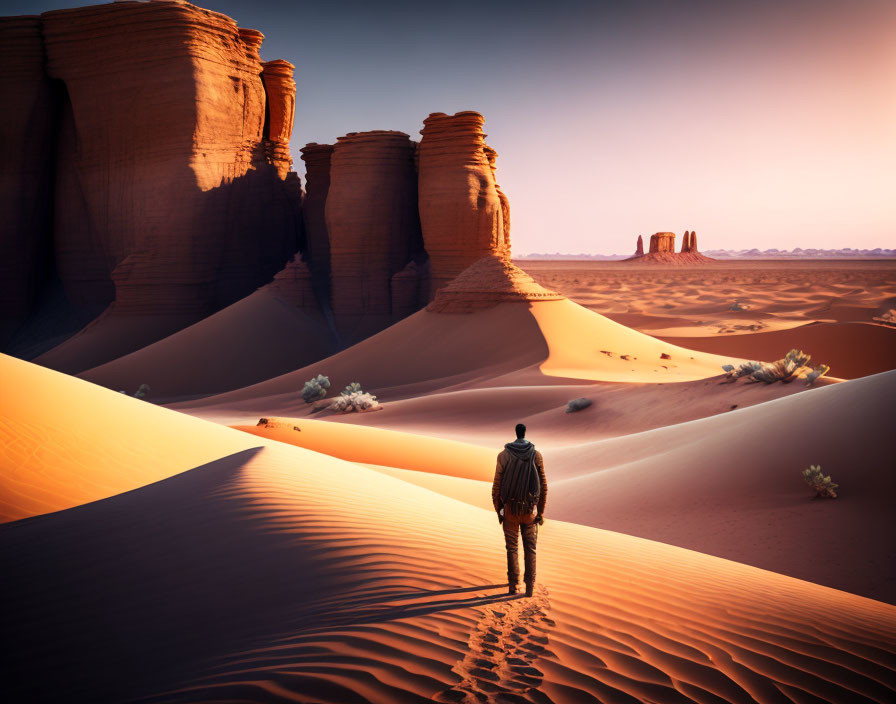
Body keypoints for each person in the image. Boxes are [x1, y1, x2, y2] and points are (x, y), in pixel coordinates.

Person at [492, 423, 547, 597]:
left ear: (516, 434)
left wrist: (499, 510)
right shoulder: (536, 455)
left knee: (512, 548)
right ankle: (529, 587)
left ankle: (513, 586)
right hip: (529, 510)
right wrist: (541, 511)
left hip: (510, 509)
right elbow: (543, 485)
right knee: (530, 548)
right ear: (525, 433)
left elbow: (496, 486)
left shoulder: (503, 455)